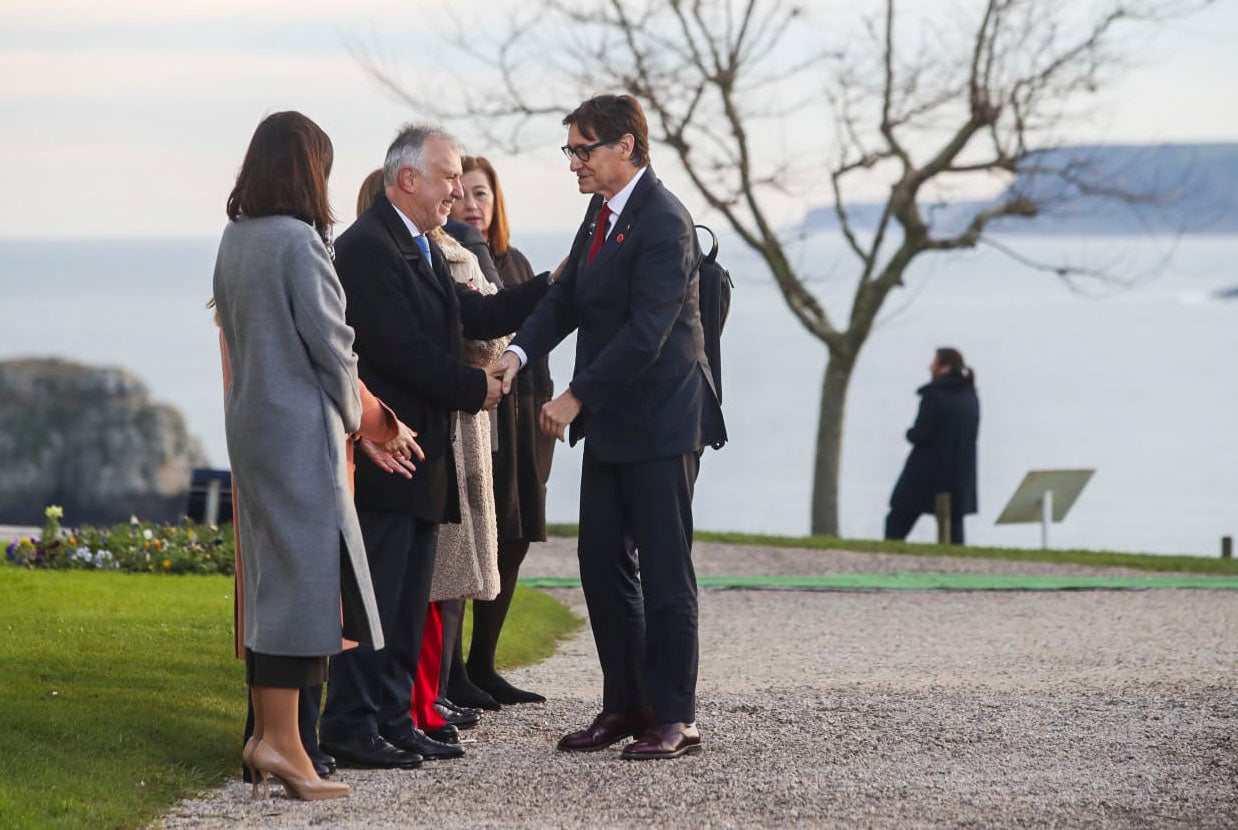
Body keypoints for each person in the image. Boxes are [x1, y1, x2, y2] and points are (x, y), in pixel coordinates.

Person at [490, 94, 727, 760]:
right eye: (571, 150)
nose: (574, 164)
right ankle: (626, 703)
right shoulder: (600, 211)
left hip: (663, 420)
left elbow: (648, 333)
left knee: (664, 569)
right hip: (613, 419)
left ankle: (676, 717)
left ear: (626, 145)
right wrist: (516, 355)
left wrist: (572, 397)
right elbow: (566, 297)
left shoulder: (664, 220)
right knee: (600, 561)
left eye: (583, 149)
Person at [318, 124, 551, 769]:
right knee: (379, 594)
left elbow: (476, 317)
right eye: (448, 176)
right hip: (390, 448)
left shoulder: (416, 244)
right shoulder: (369, 246)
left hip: (427, 453)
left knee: (406, 597)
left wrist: (557, 282)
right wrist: (475, 388)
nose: (457, 188)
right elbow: (396, 348)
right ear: (407, 178)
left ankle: (394, 718)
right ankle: (352, 723)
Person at [212, 111, 385, 800]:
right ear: (309, 169)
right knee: (304, 584)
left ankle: (267, 740)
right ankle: (282, 744)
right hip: (299, 436)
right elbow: (333, 345)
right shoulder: (300, 243)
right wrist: (354, 420)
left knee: (271, 583)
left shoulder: (235, 239)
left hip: (251, 429)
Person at [451, 155, 555, 707]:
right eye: (463, 193)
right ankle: (454, 675)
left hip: (528, 410)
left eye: (482, 194)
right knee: (476, 537)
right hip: (481, 413)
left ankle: (483, 663)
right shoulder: (452, 259)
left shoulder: (515, 261)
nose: (471, 204)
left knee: (514, 537)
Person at [885, 348, 980, 545]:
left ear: (943, 366)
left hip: (926, 471)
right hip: (959, 471)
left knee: (898, 519)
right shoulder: (970, 396)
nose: (930, 366)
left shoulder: (934, 394)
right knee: (953, 525)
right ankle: (958, 566)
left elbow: (922, 433)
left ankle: (888, 557)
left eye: (934, 362)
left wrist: (909, 433)